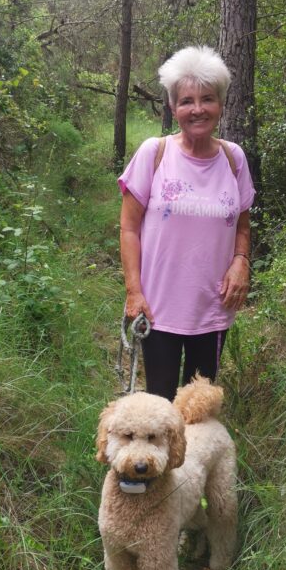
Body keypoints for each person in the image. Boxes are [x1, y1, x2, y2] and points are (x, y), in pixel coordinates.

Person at [118, 45, 255, 401]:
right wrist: (134, 292)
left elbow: (242, 225)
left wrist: (241, 261)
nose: (197, 109)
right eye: (186, 101)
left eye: (207, 99)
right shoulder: (154, 153)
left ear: (220, 103)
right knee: (161, 407)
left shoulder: (234, 159)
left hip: (213, 308)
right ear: (172, 106)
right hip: (158, 309)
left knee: (198, 408)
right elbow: (128, 228)